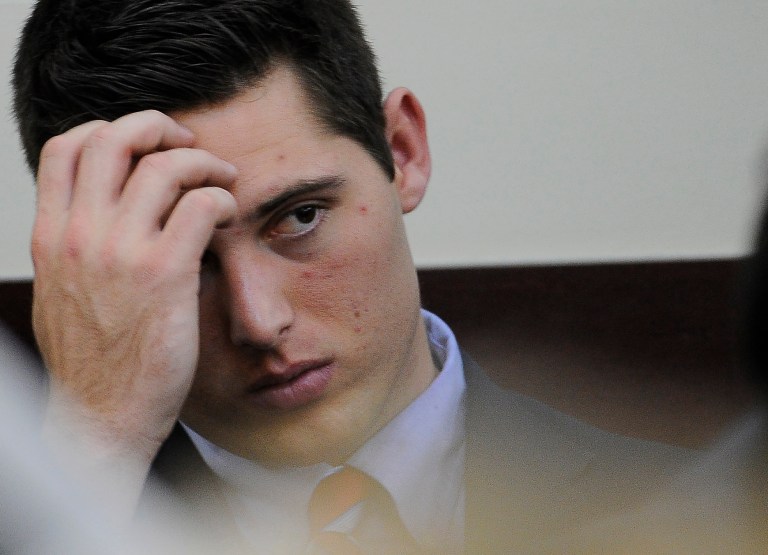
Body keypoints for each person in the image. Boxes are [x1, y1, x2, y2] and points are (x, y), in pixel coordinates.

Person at [11, 1, 692, 552]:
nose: (258, 319)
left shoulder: (691, 510)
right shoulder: (58, 519)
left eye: (300, 216)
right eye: (183, 258)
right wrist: (93, 449)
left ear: (403, 151)